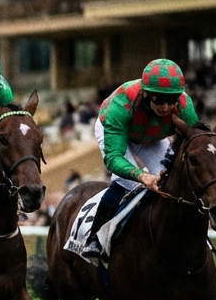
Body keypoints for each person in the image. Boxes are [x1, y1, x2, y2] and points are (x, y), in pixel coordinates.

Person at [81, 58, 199, 259]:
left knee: (170, 179)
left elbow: (195, 140)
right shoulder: (122, 104)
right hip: (117, 131)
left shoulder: (184, 104)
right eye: (159, 100)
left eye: (171, 101)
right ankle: (94, 236)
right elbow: (113, 158)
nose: (165, 107)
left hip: (151, 137)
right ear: (146, 94)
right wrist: (141, 176)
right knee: (125, 181)